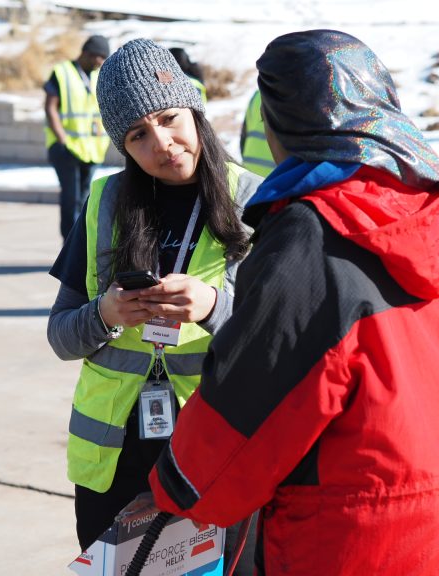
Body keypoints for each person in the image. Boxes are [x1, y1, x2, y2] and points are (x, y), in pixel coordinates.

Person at [126, 29, 439, 574]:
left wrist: (175, 488)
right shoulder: (431, 217)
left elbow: (244, 414)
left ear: (284, 127)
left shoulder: (311, 235)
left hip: (360, 540)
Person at [45, 37, 262, 568]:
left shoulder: (256, 200)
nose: (161, 143)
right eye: (138, 135)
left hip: (210, 451)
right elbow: (60, 335)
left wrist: (214, 306)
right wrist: (104, 315)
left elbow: (283, 342)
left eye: (168, 118)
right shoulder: (105, 202)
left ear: (194, 108)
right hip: (112, 462)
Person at [44, 34, 111, 241]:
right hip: (66, 147)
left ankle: (82, 245)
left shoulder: (99, 75)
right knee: (71, 199)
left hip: (91, 149)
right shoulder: (63, 72)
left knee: (85, 201)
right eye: (98, 57)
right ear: (85, 53)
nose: (100, 62)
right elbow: (50, 107)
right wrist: (61, 138)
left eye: (103, 58)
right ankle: (70, 247)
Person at [239, 89, 275, 177]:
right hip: (275, 175)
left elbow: (243, 138)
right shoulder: (290, 96)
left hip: (249, 173)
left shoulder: (257, 95)